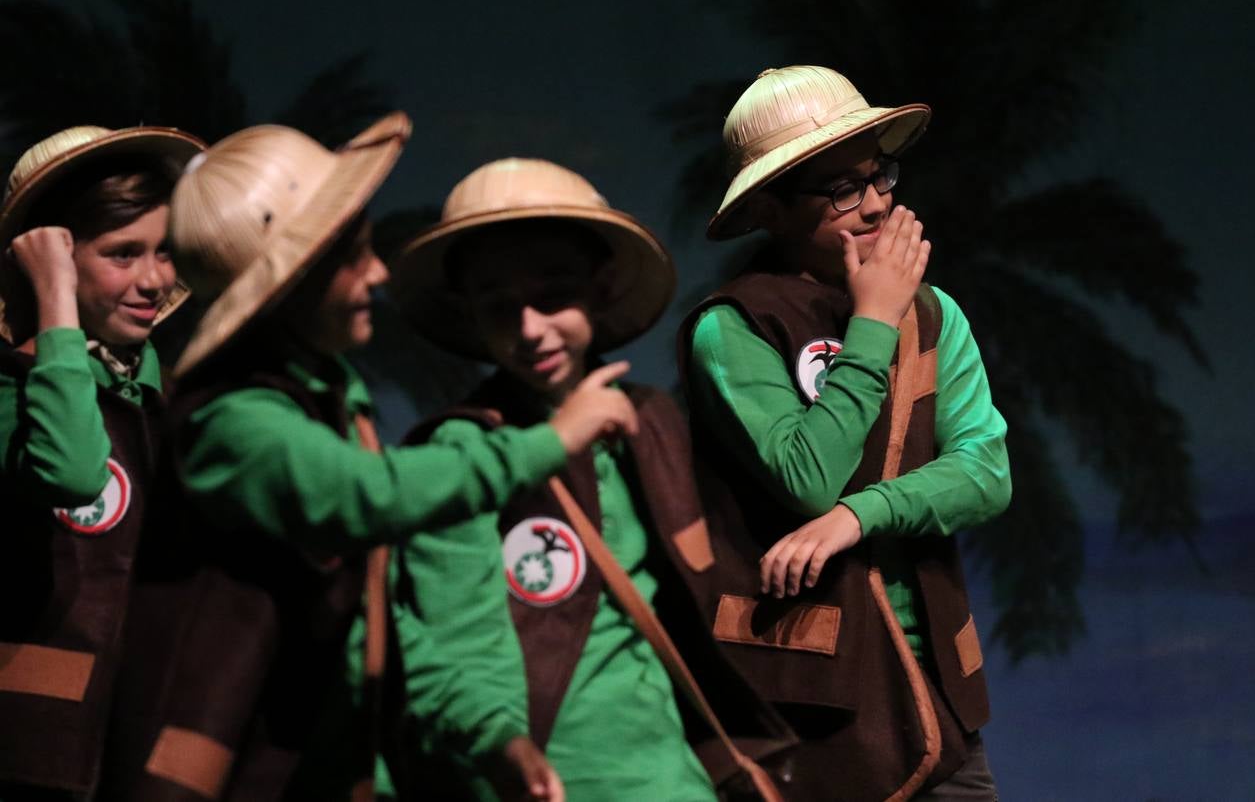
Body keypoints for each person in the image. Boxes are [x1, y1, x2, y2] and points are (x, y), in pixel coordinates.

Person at [103, 118, 628, 801]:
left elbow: (374, 617)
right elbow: (365, 494)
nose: (378, 271)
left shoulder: (325, 405)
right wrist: (553, 440)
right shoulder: (229, 423)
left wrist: (492, 738)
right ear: (292, 278)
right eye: (353, 255)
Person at [386, 158, 792, 801]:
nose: (529, 328)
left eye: (552, 296)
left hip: (672, 779)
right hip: (537, 785)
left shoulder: (653, 424)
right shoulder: (460, 452)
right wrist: (500, 743)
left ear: (600, 289)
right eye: (498, 306)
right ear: (467, 315)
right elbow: (452, 639)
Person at [680, 66, 1011, 800]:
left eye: (879, 176)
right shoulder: (734, 327)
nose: (873, 204)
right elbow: (806, 475)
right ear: (770, 206)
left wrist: (857, 517)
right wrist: (870, 324)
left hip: (937, 697)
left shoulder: (933, 314)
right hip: (811, 703)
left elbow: (985, 471)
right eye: (839, 189)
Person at [0, 125, 203, 800]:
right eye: (123, 254)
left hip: (137, 757)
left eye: (165, 253)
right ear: (51, 254)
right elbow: (73, 472)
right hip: (27, 755)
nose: (153, 280)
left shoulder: (168, 403)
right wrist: (56, 304)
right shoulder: (12, 386)